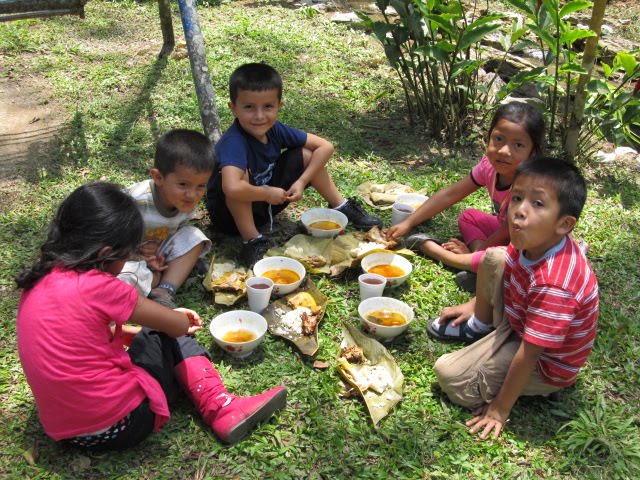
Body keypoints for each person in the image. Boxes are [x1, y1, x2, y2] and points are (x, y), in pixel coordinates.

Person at [15, 183, 287, 450]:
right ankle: (221, 407)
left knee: (150, 336)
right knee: (168, 336)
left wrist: (134, 335)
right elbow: (177, 326)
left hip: (67, 431)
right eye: (128, 254)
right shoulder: (101, 286)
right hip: (121, 424)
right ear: (106, 254)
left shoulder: (41, 279)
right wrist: (174, 319)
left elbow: (82, 336)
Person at [431, 157, 599, 439]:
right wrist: (472, 305)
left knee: (450, 377)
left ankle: (539, 386)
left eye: (538, 204)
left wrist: (499, 409)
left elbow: (531, 353)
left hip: (545, 361)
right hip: (522, 319)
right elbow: (501, 268)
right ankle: (481, 325)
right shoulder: (533, 240)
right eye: (517, 197)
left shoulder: (555, 285)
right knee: (495, 256)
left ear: (564, 224)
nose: (519, 211)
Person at [206, 62, 382, 266]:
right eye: (249, 107)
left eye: (268, 107)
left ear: (279, 106)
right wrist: (266, 193)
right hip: (229, 218)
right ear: (233, 108)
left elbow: (325, 147)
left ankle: (341, 206)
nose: (260, 116)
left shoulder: (275, 130)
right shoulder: (234, 142)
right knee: (238, 178)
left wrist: (301, 181)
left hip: (264, 203)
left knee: (306, 155)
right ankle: (251, 239)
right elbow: (231, 187)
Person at [384, 101, 545, 289]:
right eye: (498, 139)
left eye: (518, 145)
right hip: (508, 230)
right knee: (469, 216)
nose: (504, 151)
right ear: (488, 137)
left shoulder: (531, 183)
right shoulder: (489, 167)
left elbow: (508, 230)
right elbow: (451, 194)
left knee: (504, 258)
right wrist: (408, 222)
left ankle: (447, 256)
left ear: (533, 152)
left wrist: (485, 248)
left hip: (529, 246)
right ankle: (478, 263)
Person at [123, 129, 215, 308]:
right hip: (124, 256)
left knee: (194, 237)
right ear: (158, 177)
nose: (192, 194)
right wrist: (137, 257)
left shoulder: (186, 201)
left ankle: (164, 289)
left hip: (157, 254)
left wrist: (157, 258)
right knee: (126, 279)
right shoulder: (135, 201)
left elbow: (176, 232)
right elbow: (106, 243)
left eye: (201, 186)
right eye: (183, 184)